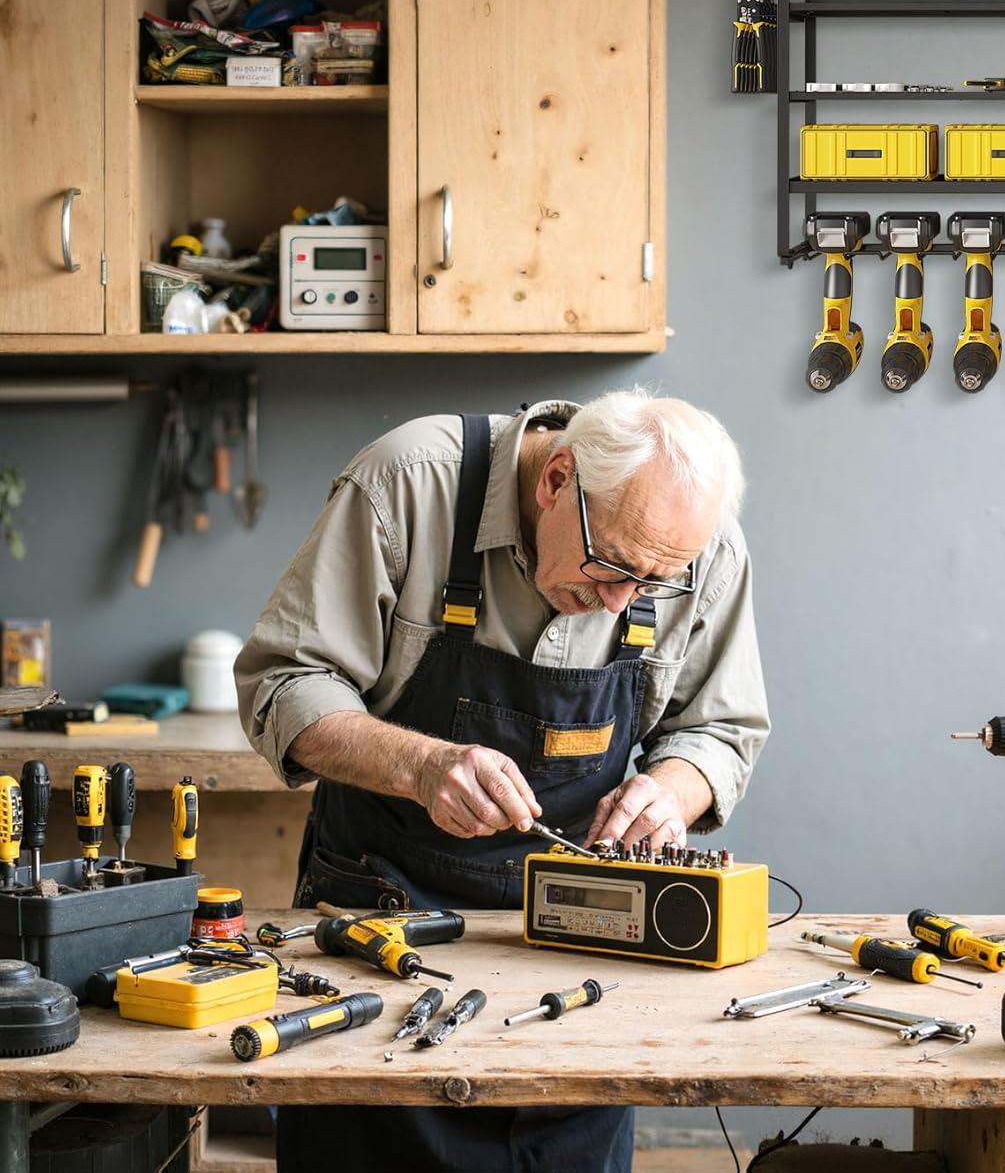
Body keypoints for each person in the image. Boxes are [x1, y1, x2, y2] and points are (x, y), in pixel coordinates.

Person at [235, 390, 769, 1172]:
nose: (623, 600)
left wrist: (674, 787)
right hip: (380, 928)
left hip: (579, 946)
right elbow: (284, 683)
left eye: (654, 584)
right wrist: (420, 766)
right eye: (613, 566)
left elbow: (719, 729)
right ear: (556, 481)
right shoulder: (409, 481)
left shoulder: (696, 542)